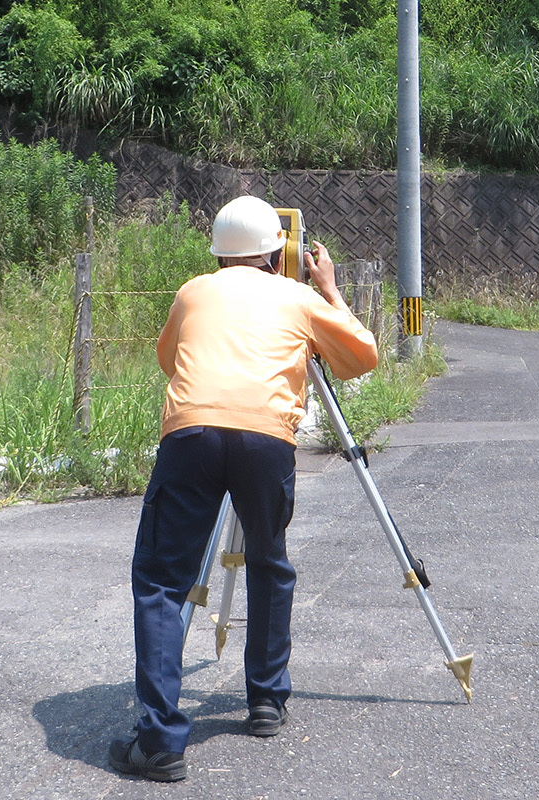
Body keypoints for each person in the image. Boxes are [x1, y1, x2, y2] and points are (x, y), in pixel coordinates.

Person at [110, 196, 379, 782]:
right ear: (277, 250)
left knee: (161, 582)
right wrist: (328, 288)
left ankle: (157, 742)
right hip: (266, 441)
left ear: (218, 251)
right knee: (267, 559)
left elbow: (169, 358)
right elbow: (363, 356)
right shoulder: (298, 296)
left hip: (192, 433)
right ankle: (264, 701)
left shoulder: (192, 291)